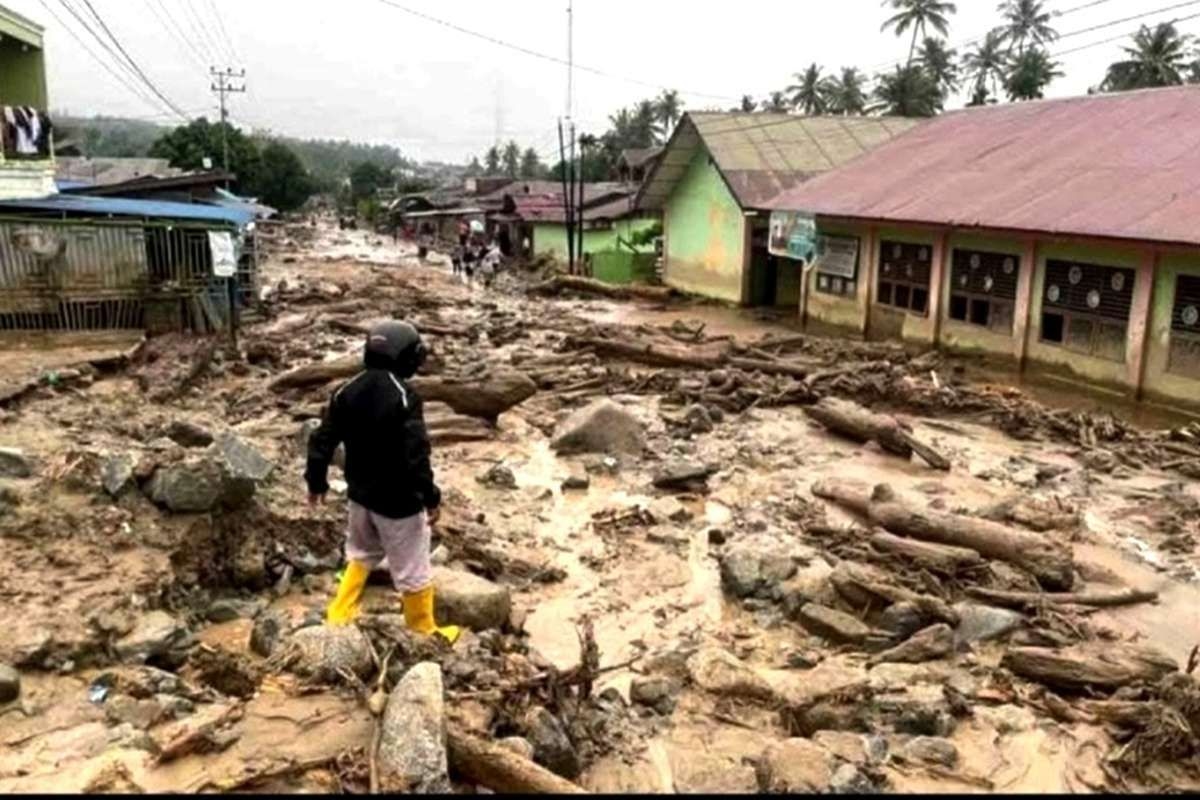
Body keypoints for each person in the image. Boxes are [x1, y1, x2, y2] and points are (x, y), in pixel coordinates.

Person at [305, 321, 460, 644]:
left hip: (360, 497)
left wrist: (316, 481)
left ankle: (339, 614)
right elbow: (416, 455)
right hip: (399, 503)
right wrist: (430, 497)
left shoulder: (345, 390)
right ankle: (423, 629)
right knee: (413, 567)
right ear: (406, 356)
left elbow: (322, 440)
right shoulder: (404, 397)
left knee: (360, 553)